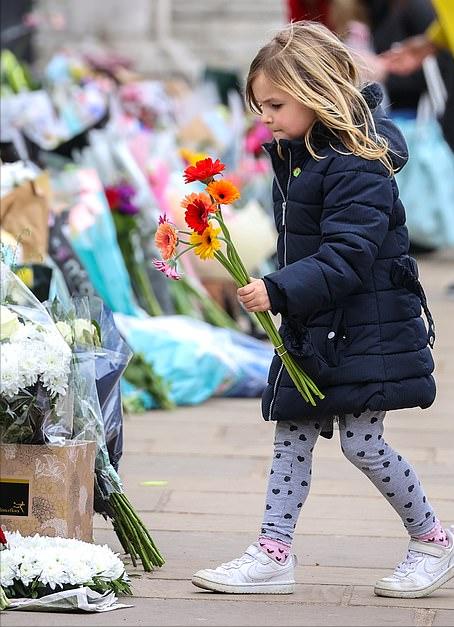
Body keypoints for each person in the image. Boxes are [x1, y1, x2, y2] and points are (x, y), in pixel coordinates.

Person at [191, 21, 453, 599]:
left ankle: (433, 539)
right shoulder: (302, 154)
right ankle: (273, 550)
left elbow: (348, 256)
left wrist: (279, 289)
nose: (267, 117)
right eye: (260, 106)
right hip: (319, 326)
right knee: (292, 435)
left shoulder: (358, 163)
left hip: (365, 327)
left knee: (363, 444)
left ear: (316, 92)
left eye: (277, 104)